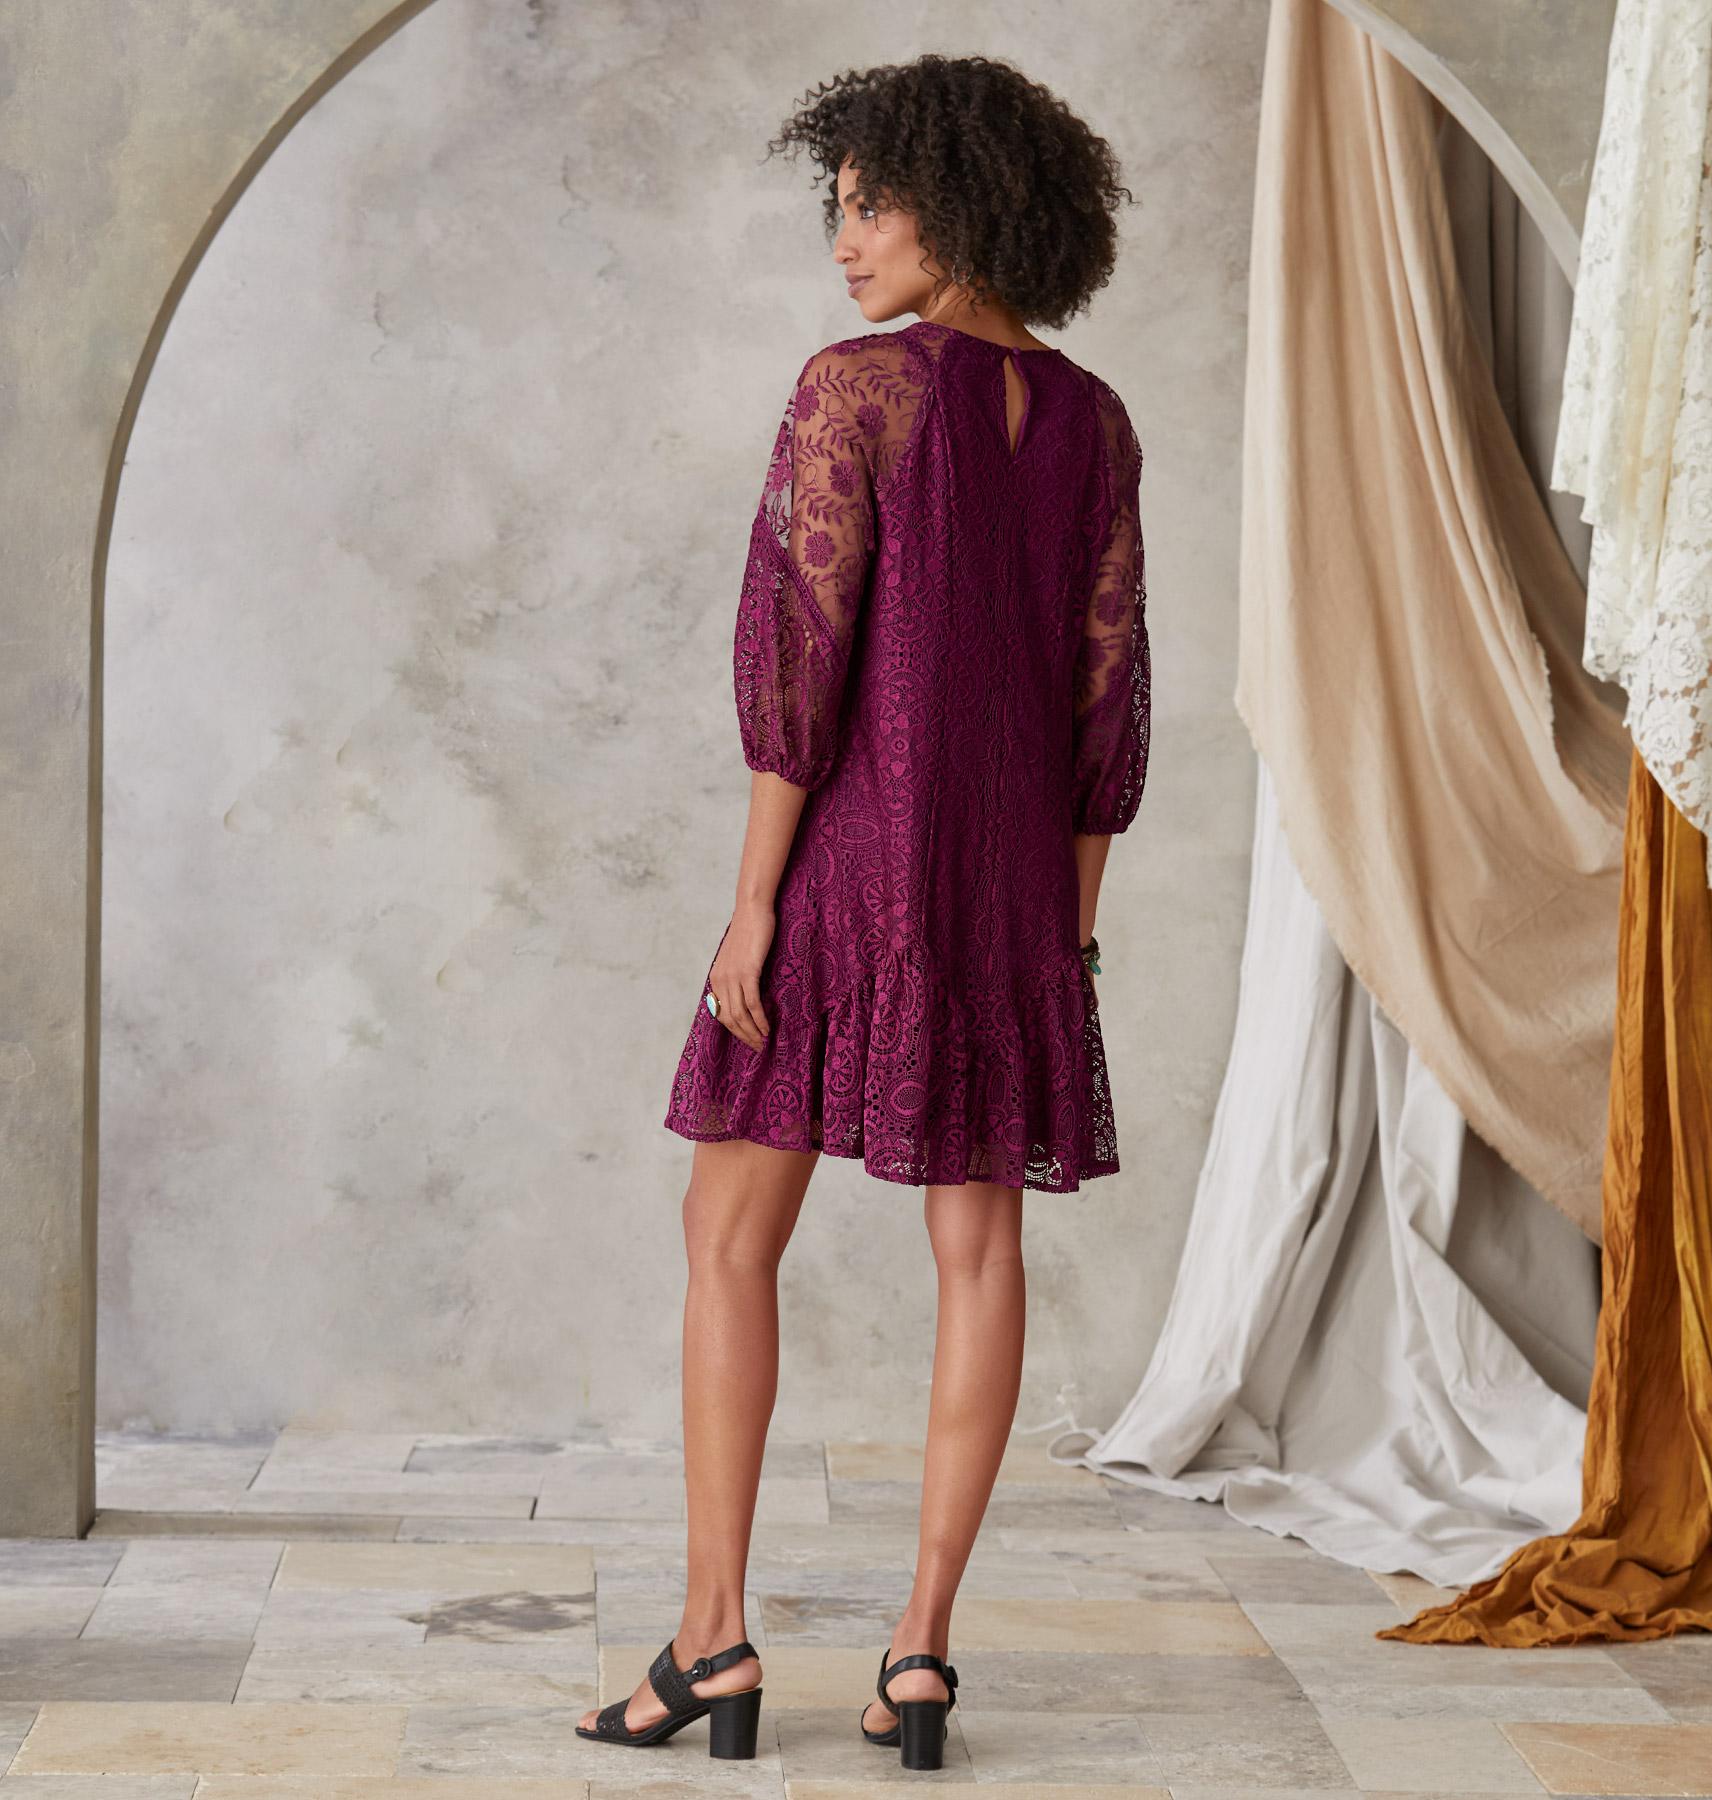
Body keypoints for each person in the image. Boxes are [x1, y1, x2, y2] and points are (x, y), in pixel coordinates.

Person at [575, 51, 1150, 1771]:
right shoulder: (1097, 422)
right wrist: (1067, 938)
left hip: (849, 877)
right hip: (1012, 901)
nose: (845, 240)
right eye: (836, 207)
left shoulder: (858, 392)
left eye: (873, 204)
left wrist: (753, 906)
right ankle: (920, 1653)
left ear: (961, 204)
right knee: (982, 1253)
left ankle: (713, 1639)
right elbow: (1104, 706)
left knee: (726, 1239)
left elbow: (798, 668)